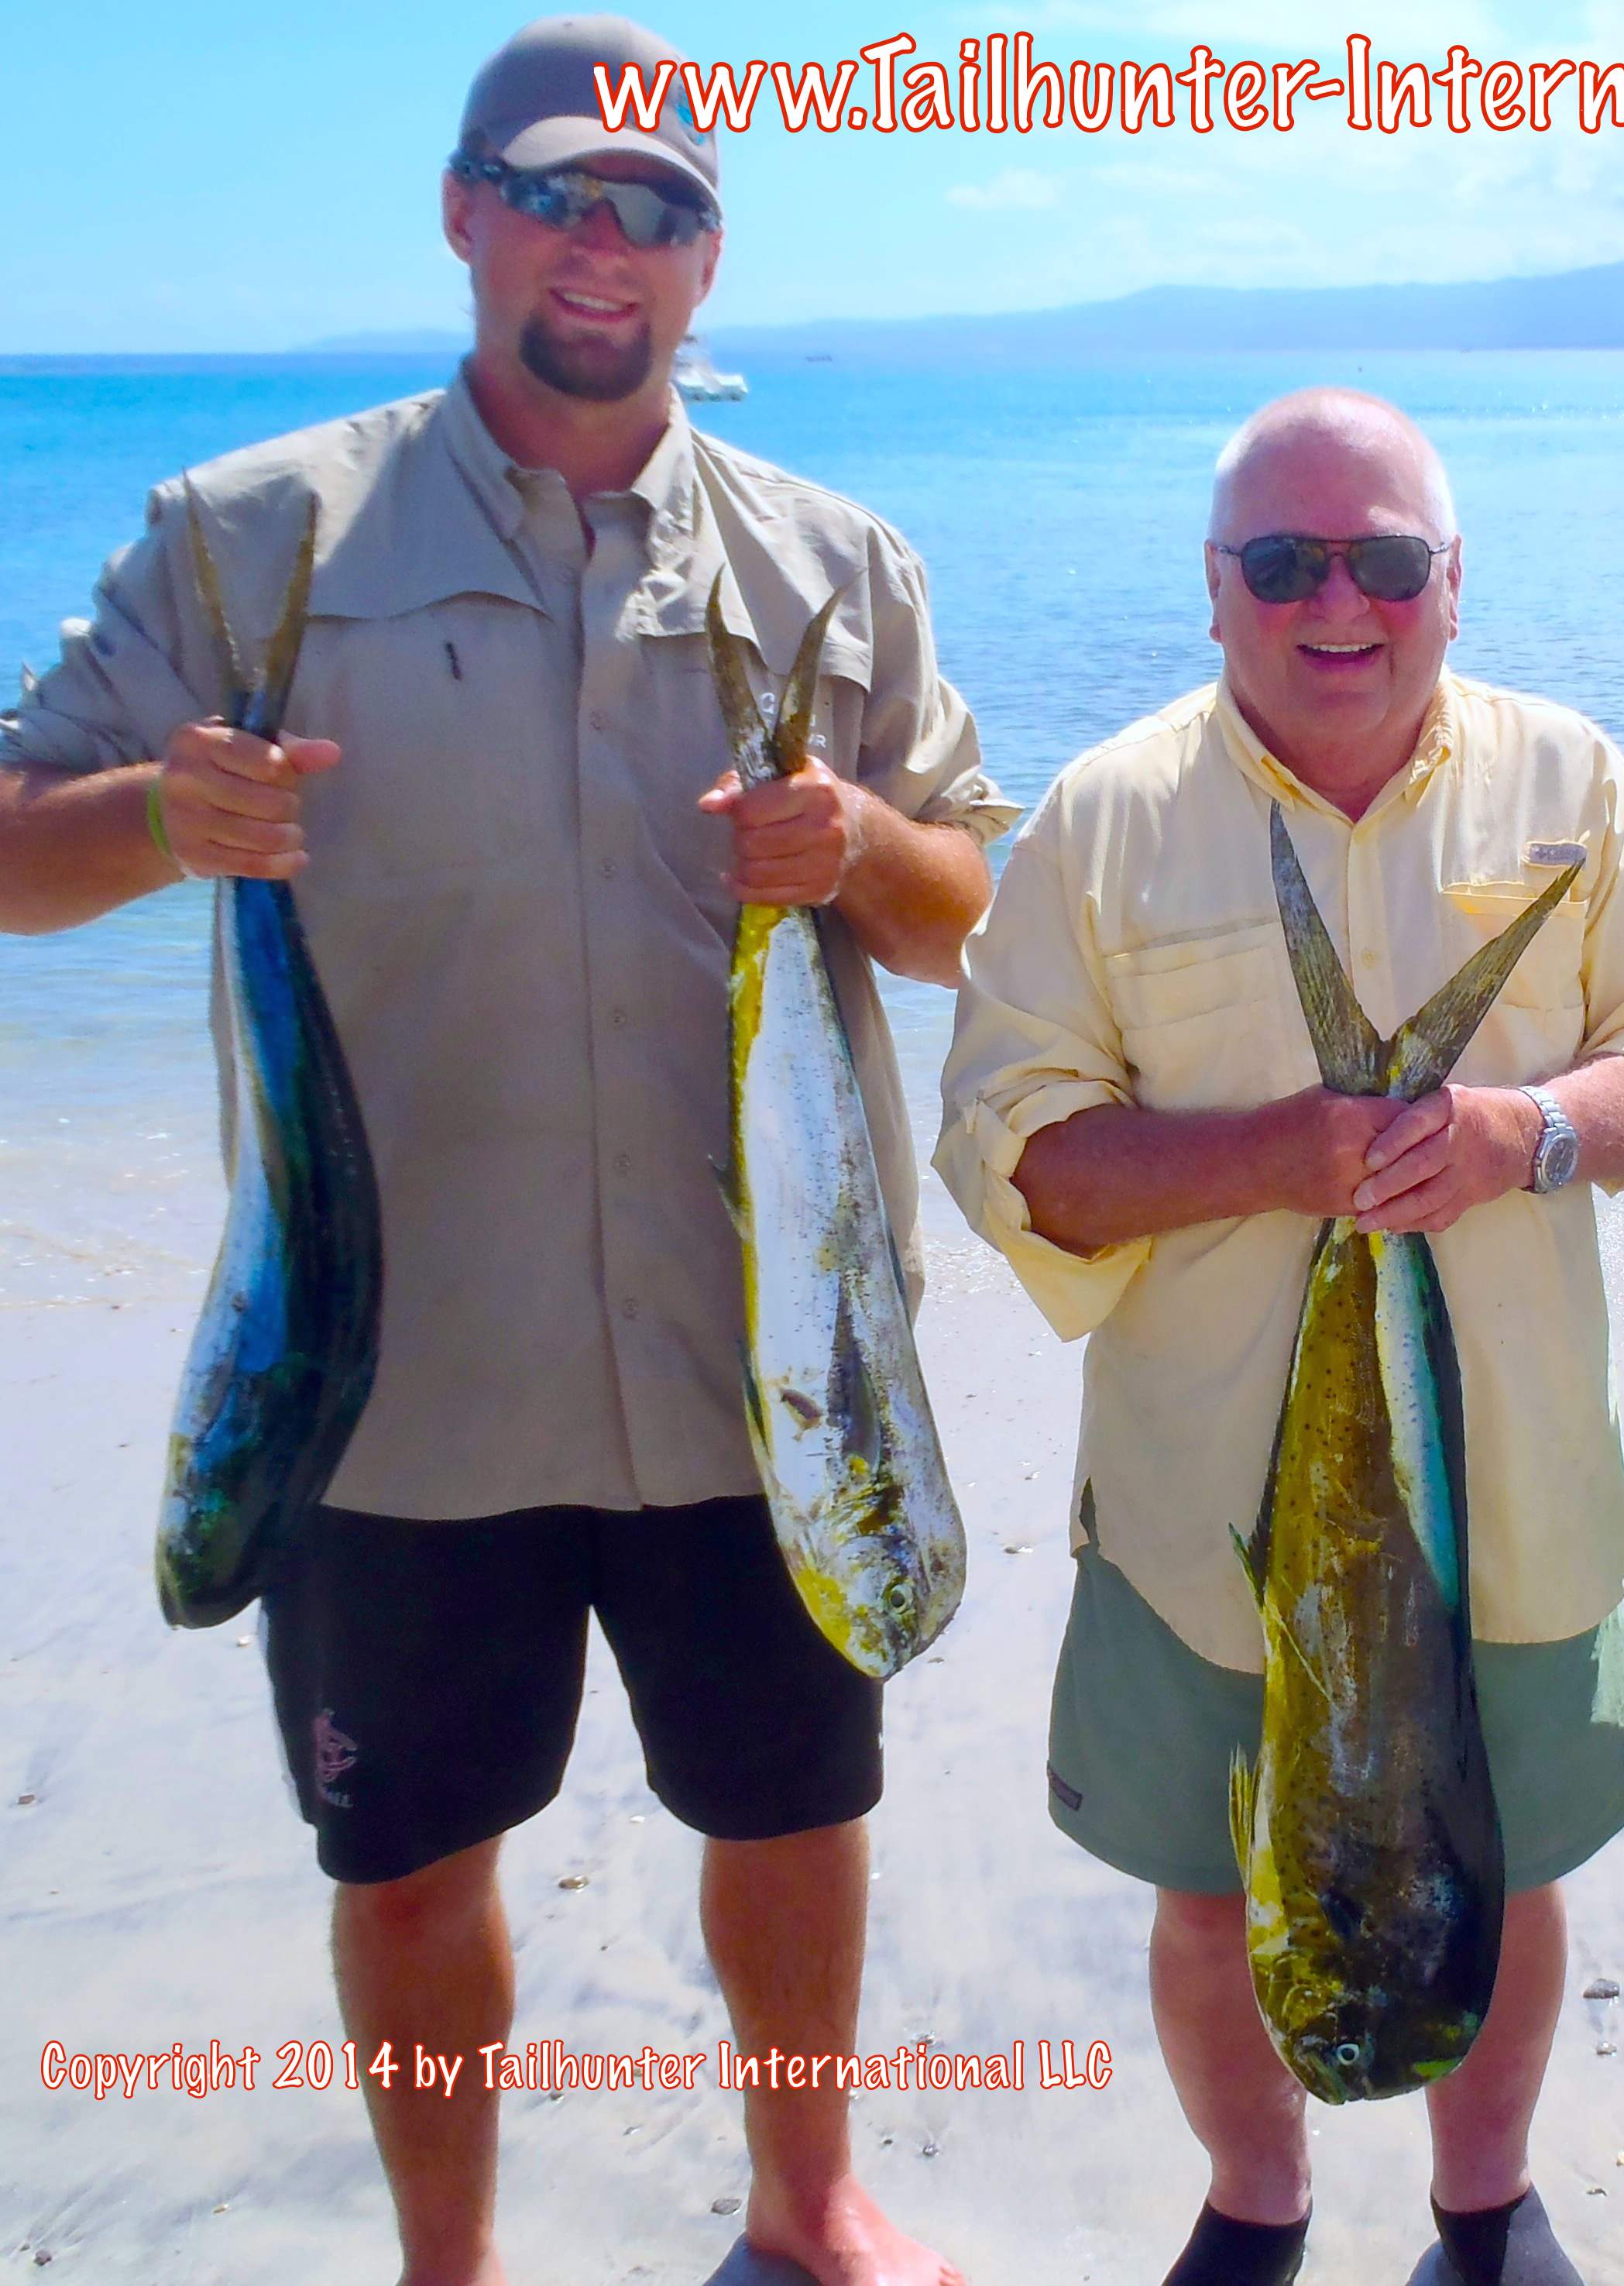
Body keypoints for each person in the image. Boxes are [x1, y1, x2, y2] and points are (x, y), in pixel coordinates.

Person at [0, 19, 1015, 2284]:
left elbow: (972, 919)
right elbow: (12, 850)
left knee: (794, 1811)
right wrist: (162, 816)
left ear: (710, 261)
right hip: (391, 1380)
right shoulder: (249, 537)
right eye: (554, 193)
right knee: (408, 1857)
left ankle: (807, 2202)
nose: (600, 243)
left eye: (654, 210)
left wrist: (858, 848)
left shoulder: (837, 563)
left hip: (760, 1372)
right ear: (463, 210)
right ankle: (446, 2261)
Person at [936, 387, 1624, 2286]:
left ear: (1453, 581)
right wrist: (1273, 1156)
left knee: (1508, 1871)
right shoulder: (1105, 819)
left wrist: (1526, 1132)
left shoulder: (1573, 782)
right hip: (1194, 1516)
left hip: (1515, 1501)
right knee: (1206, 1886)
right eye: (1283, 561)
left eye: (1383, 562)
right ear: (1213, 584)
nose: (1337, 603)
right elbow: (1006, 1151)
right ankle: (1256, 2201)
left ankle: (1485, 2203)